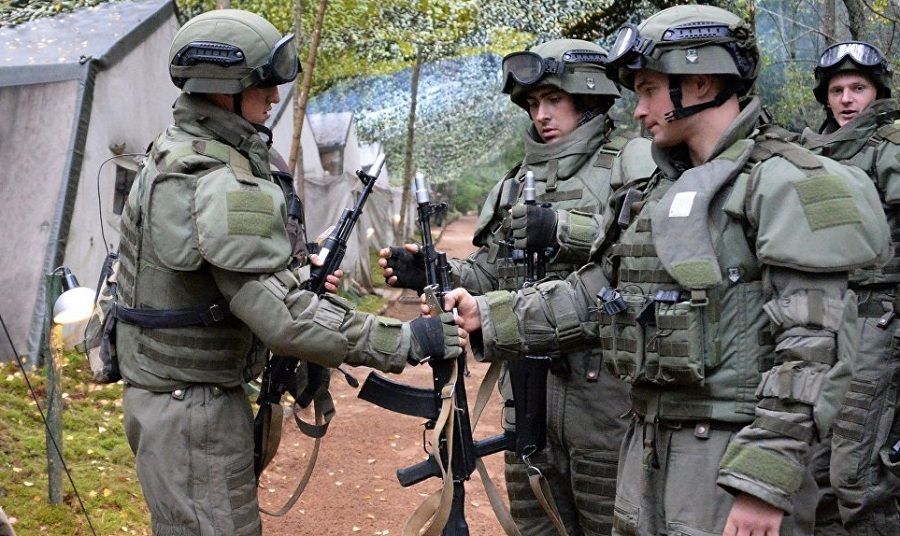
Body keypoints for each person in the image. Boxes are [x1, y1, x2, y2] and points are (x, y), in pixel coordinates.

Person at [445, 5, 893, 535]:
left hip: (731, 462)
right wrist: (490, 316)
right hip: (645, 448)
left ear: (700, 83)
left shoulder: (786, 183)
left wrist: (763, 481)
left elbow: (814, 348)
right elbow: (600, 292)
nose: (637, 110)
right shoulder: (656, 190)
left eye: (649, 90)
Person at [114, 9, 466, 536]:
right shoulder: (221, 178)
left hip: (180, 403)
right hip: (193, 412)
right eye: (263, 84)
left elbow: (221, 285)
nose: (274, 97)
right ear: (224, 88)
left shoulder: (177, 152)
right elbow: (283, 316)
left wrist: (296, 273)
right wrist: (406, 340)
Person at [380, 39, 653, 535]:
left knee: (611, 524)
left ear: (589, 98)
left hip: (604, 397)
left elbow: (642, 254)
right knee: (534, 525)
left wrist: (561, 228)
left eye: (554, 100)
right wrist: (437, 272)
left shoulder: (633, 163)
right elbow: (491, 274)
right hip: (526, 393)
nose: (541, 114)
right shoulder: (514, 182)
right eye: (533, 103)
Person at [800, 40, 900, 536]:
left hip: (876, 319)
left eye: (858, 87)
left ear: (877, 92)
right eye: (837, 89)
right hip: (818, 318)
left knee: (857, 477)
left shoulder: (891, 148)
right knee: (814, 474)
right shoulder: (807, 153)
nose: (846, 99)